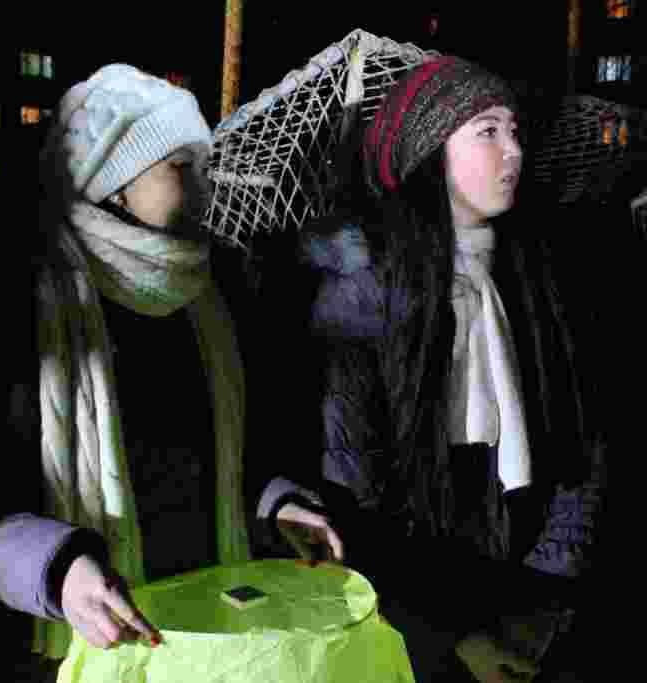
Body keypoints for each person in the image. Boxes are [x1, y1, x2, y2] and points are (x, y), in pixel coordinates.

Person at [252, 56, 606, 682]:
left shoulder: (533, 270)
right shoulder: (361, 291)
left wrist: (547, 590)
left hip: (531, 601)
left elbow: (581, 437)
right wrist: (455, 636)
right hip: (417, 620)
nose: (513, 151)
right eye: (487, 132)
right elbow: (353, 491)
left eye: (515, 130)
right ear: (429, 150)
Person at [0, 64, 251, 680]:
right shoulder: (21, 303)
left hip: (206, 623)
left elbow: (241, 448)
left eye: (205, 162)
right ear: (113, 185)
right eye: (179, 165)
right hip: (78, 641)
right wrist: (56, 566)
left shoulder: (212, 292)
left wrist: (276, 501)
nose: (205, 181)